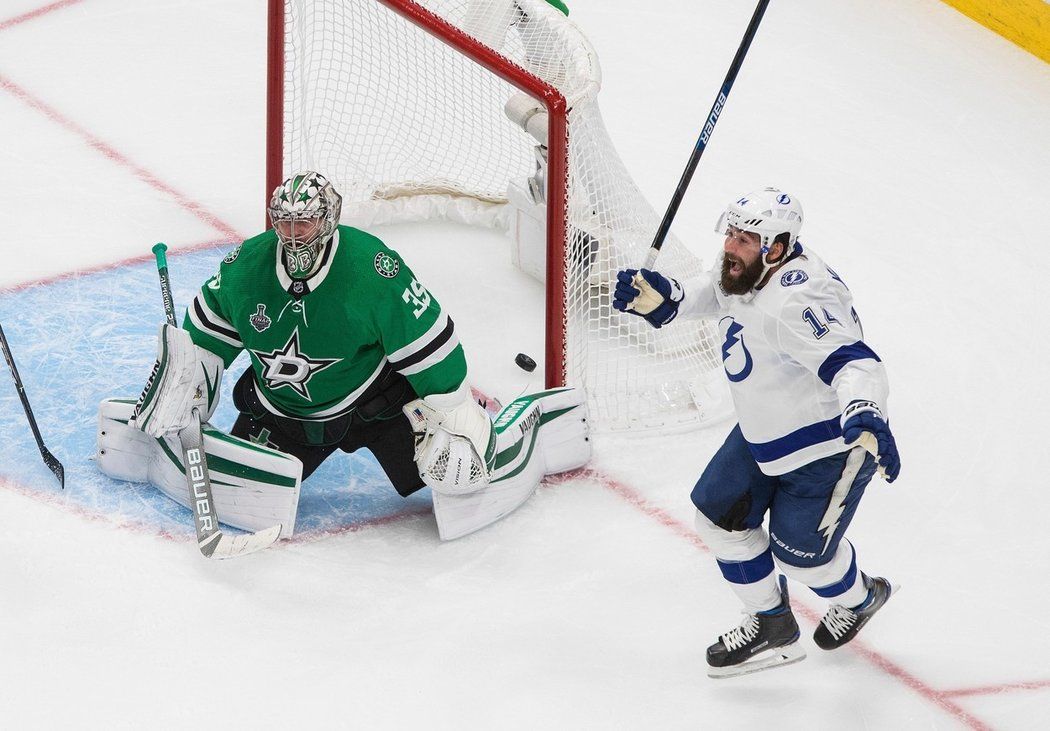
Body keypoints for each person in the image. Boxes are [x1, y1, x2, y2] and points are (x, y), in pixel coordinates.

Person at [96, 171, 590, 541]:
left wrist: (456, 416)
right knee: (243, 490)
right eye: (284, 224)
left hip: (378, 405)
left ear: (328, 221)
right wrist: (190, 384)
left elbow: (431, 345)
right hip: (285, 411)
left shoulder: (370, 268)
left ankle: (515, 432)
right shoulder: (246, 267)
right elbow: (206, 337)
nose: (292, 235)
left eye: (304, 223)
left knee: (456, 477)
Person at [612, 187, 901, 678]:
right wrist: (669, 300)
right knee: (719, 519)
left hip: (825, 449)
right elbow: (721, 290)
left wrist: (867, 411)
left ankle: (861, 597)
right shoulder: (751, 270)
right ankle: (772, 625)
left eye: (746, 239)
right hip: (763, 432)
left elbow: (854, 361)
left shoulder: (801, 299)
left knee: (805, 561)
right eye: (731, 233)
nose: (732, 246)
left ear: (777, 246)